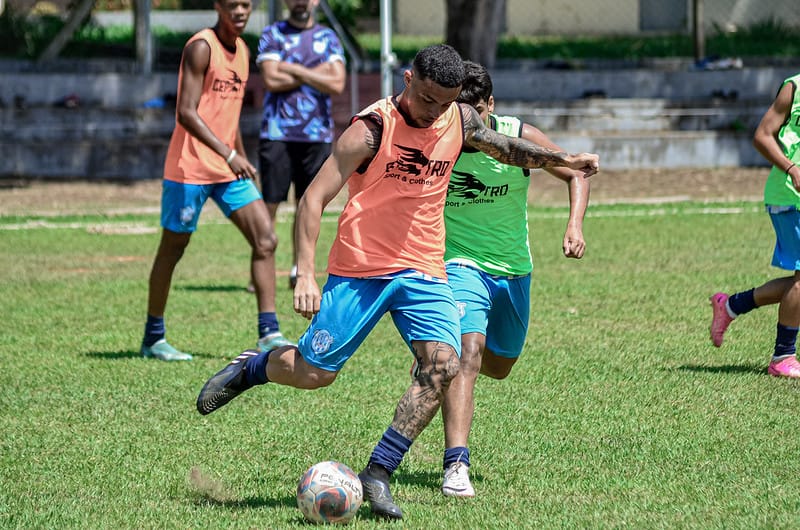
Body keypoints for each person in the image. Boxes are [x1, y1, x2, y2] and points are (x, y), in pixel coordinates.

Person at [196, 44, 599, 520]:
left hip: (424, 266)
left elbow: (507, 148)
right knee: (315, 374)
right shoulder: (371, 130)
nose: (434, 112)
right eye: (427, 99)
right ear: (408, 79)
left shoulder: (458, 118)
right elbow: (312, 199)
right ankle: (254, 367)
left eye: (445, 103)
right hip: (362, 266)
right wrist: (305, 271)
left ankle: (379, 471)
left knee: (444, 366)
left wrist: (564, 158)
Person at [428, 61, 591, 498]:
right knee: (467, 355)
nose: (469, 122)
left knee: (499, 366)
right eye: (459, 112)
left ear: (491, 105)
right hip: (458, 264)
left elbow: (574, 171)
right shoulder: (440, 139)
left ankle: (444, 362)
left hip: (514, 269)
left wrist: (574, 224)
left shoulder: (519, 135)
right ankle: (456, 464)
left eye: (477, 112)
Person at [140, 0, 291, 362]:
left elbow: (229, 115)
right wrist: (229, 154)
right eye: (232, 4)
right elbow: (186, 113)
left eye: (246, 4)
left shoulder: (243, 51)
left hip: (227, 169)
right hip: (190, 167)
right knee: (173, 248)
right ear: (218, 6)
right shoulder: (201, 47)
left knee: (266, 238)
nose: (240, 11)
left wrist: (239, 156)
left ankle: (269, 333)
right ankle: (153, 338)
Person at [710, 72, 800, 378]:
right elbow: (762, 135)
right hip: (790, 196)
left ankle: (731, 305)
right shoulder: (794, 88)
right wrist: (792, 169)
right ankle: (783, 356)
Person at [253, 0, 346, 290]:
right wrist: (318, 73)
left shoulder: (328, 37)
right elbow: (271, 79)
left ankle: (299, 269)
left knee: (307, 202)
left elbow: (337, 84)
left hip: (316, 135)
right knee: (269, 204)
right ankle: (261, 268)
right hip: (276, 133)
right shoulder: (272, 34)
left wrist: (292, 68)